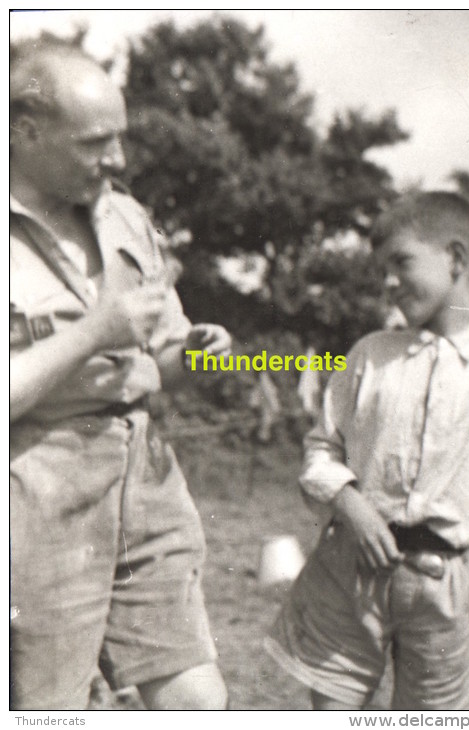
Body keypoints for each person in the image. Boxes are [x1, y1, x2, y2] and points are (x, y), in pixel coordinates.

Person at [10, 40, 231, 711]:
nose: (118, 160)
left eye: (120, 138)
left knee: (197, 701)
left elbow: (158, 357)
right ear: (25, 132)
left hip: (147, 479)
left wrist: (191, 353)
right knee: (47, 709)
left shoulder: (126, 215)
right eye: (94, 142)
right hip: (37, 498)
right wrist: (92, 334)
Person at [264, 191, 469, 710]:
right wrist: (352, 506)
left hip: (441, 582)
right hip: (348, 573)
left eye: (401, 262)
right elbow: (321, 448)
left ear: (456, 259)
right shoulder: (370, 353)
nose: (387, 282)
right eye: (382, 268)